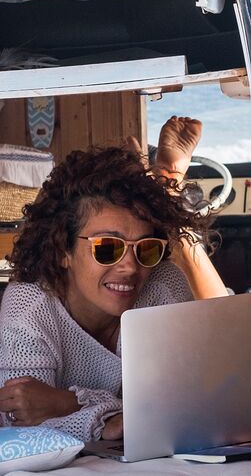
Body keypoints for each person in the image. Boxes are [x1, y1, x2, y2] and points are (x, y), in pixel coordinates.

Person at [0, 116, 228, 442]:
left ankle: (166, 183)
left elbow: (193, 398)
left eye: (147, 248)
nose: (130, 266)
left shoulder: (161, 284)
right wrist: (105, 422)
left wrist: (69, 402)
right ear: (63, 249)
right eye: (108, 248)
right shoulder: (28, 306)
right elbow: (22, 427)